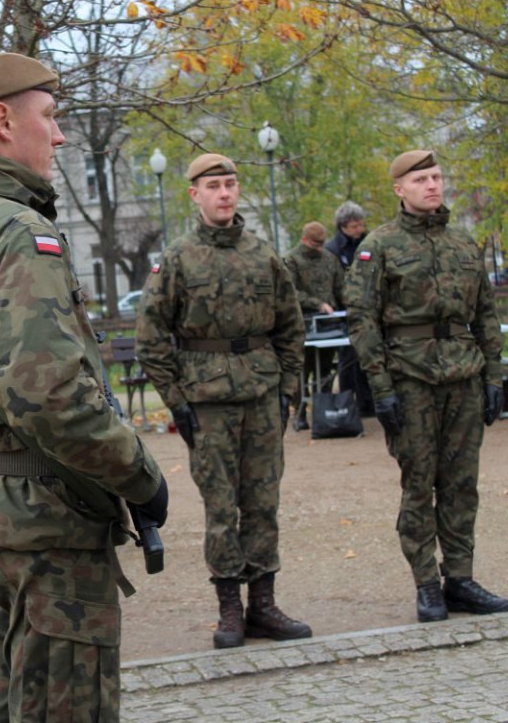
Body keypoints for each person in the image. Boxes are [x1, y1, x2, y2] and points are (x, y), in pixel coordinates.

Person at [0, 52, 167, 722]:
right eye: (48, 117)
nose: (58, 135)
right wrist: (140, 476)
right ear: (1, 120)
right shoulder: (20, 234)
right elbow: (50, 397)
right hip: (43, 530)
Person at [136, 152, 311, 650]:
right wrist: (176, 401)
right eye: (213, 186)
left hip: (261, 393)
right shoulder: (177, 258)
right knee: (221, 508)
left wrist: (288, 390)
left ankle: (264, 604)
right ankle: (229, 609)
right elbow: (150, 336)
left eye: (231, 184)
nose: (225, 193)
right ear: (195, 194)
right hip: (207, 399)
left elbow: (290, 327)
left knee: (263, 502)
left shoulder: (263, 255)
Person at [344, 149, 508, 623]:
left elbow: (485, 315)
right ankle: (426, 584)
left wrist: (493, 375)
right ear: (400, 189)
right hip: (410, 378)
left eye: (436, 177)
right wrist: (382, 387)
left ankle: (460, 578)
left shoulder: (462, 243)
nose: (432, 185)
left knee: (461, 485)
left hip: (463, 375)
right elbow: (363, 320)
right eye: (420, 179)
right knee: (419, 484)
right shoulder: (379, 246)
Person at [283, 221, 344, 431]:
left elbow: (340, 287)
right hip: (304, 325)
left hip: (329, 325)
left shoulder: (329, 259)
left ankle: (324, 412)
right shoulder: (292, 261)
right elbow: (290, 292)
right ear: (305, 240)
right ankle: (300, 413)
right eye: (315, 243)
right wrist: (317, 304)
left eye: (321, 243)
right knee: (303, 370)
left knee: (326, 370)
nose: (319, 247)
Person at [324, 201, 375, 416]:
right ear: (343, 226)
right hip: (344, 312)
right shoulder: (332, 249)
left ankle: (368, 403)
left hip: (369, 307)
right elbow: (332, 282)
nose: (359, 230)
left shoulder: (369, 242)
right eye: (355, 226)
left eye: (361, 225)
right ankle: (347, 404)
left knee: (369, 357)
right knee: (347, 360)